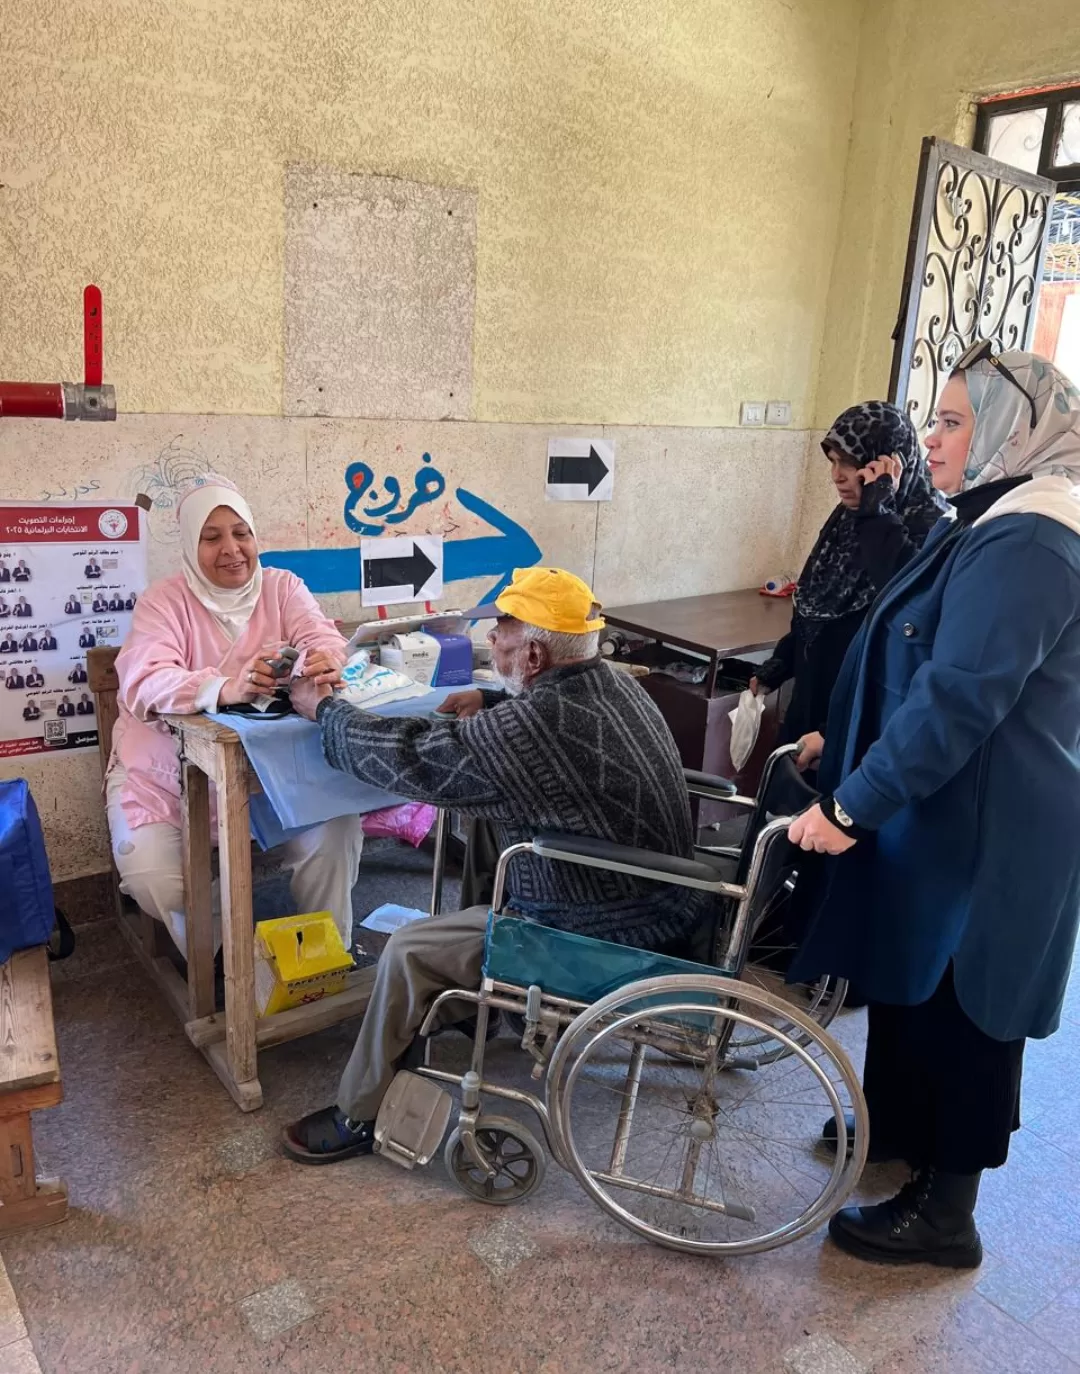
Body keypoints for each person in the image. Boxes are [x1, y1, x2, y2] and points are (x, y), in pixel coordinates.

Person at [787, 347, 1080, 1270]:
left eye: (955, 422)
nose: (934, 439)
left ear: (1014, 432)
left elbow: (961, 696)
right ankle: (897, 1129)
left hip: (992, 826)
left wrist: (853, 806)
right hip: (949, 807)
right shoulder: (993, 515)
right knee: (914, 974)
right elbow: (918, 653)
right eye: (937, 419)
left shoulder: (1032, 537)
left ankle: (947, 1212)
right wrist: (846, 735)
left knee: (970, 1005)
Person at [281, 567, 713, 1164]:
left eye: (503, 630)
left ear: (534, 655)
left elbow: (411, 759)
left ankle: (360, 1112)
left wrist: (326, 710)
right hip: (664, 899)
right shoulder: (616, 684)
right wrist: (491, 697)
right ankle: (468, 1002)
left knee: (408, 949)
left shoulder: (532, 728)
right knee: (488, 826)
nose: (491, 640)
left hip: (601, 934)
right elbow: (556, 727)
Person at [108, 474, 365, 956]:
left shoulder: (282, 587)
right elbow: (144, 681)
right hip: (168, 780)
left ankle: (324, 958)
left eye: (241, 533)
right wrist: (227, 687)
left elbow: (321, 636)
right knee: (155, 880)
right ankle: (224, 959)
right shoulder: (164, 602)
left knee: (337, 832)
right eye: (211, 537)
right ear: (190, 544)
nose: (231, 549)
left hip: (272, 773)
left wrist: (324, 659)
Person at [752, 401, 945, 746]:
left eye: (850, 462)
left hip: (858, 723)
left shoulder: (931, 526)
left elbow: (905, 597)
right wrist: (782, 661)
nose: (837, 475)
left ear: (889, 463)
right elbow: (816, 608)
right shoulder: (847, 519)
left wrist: (878, 512)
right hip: (812, 707)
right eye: (833, 461)